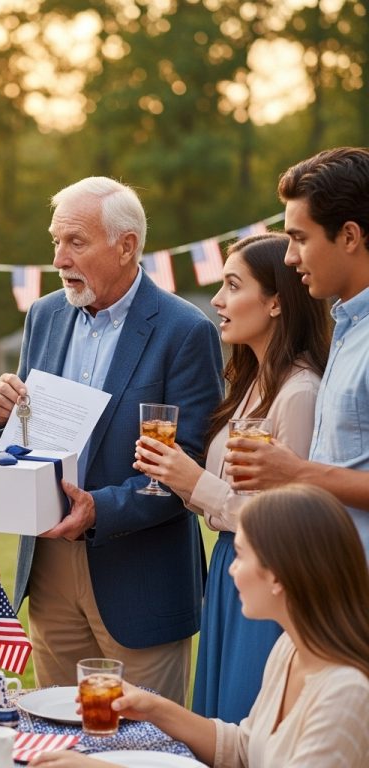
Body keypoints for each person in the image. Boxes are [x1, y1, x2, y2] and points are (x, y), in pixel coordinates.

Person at [0, 176, 224, 704]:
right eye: (55, 241)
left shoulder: (186, 331)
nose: (58, 258)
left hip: (139, 575)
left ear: (126, 245)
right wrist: (1, 416)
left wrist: (101, 510)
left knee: (140, 745)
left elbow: (191, 463)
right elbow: (25, 430)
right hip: (48, 567)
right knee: (55, 733)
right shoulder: (43, 316)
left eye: (75, 242)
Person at [133, 233, 330, 723]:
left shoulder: (300, 392)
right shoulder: (249, 384)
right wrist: (179, 480)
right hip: (228, 570)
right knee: (219, 718)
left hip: (272, 574)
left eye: (233, 286)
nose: (218, 301)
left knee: (248, 723)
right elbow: (232, 494)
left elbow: (291, 521)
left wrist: (193, 481)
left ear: (277, 303)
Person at [28, 484, 369, 768]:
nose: (231, 570)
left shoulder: (345, 693)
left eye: (240, 555)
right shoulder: (292, 649)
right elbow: (244, 750)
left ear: (277, 576)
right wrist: (154, 708)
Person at [225, 147, 369, 557]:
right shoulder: (348, 329)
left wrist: (297, 472)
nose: (289, 257)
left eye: (299, 239)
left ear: (349, 236)